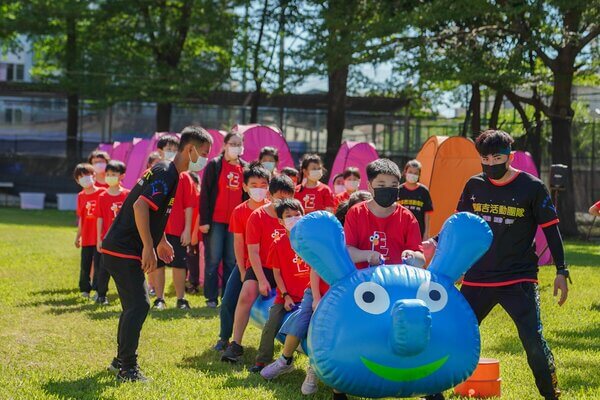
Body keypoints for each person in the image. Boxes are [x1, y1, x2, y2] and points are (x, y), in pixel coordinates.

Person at [423, 130, 569, 400]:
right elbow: (459, 225)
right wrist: (435, 241)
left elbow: (551, 230)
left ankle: (550, 394)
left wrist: (561, 270)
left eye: (497, 157)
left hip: (518, 279)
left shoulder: (532, 187)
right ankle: (433, 392)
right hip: (477, 277)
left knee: (533, 343)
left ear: (510, 156)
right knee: (452, 333)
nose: (491, 163)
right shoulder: (474, 185)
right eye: (485, 158)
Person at [100, 126, 212, 382]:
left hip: (120, 247)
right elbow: (140, 206)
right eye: (204, 153)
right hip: (123, 248)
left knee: (133, 306)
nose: (205, 159)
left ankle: (120, 361)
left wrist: (160, 240)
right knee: (139, 305)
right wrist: (149, 248)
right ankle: (127, 368)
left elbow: (152, 209)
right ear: (190, 149)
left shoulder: (170, 172)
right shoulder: (166, 172)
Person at [221, 175, 295, 363]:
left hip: (286, 268)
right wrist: (261, 279)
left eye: (288, 198)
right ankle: (235, 344)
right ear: (270, 196)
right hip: (261, 266)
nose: (284, 203)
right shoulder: (258, 216)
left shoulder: (294, 216)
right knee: (245, 295)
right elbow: (252, 252)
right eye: (280, 198)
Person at [214, 162, 271, 351]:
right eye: (254, 185)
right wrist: (241, 270)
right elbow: (238, 243)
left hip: (271, 265)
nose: (259, 189)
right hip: (247, 266)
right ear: (245, 187)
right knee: (229, 299)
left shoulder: (274, 210)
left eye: (263, 185)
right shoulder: (239, 211)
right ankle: (224, 338)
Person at [251, 198, 309, 373]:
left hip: (310, 295)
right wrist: (285, 295)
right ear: (280, 221)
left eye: (297, 215)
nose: (293, 218)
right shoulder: (278, 243)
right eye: (288, 216)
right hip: (286, 295)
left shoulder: (312, 241)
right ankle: (262, 360)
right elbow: (277, 273)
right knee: (272, 322)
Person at [344, 158, 425, 269]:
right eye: (381, 185)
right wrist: (367, 255)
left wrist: (413, 256)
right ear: (369, 187)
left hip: (396, 282)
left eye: (393, 186)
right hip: (362, 283)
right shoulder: (355, 213)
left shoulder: (407, 217)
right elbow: (348, 251)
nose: (387, 190)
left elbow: (421, 259)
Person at [200, 131, 248, 308]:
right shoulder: (214, 165)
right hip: (215, 220)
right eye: (233, 144)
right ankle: (211, 297)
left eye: (239, 144)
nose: (236, 147)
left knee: (231, 260)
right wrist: (204, 220)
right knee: (213, 259)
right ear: (225, 145)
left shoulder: (245, 167)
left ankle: (228, 297)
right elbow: (205, 193)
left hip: (235, 223)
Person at [151, 164, 197, 310]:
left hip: (178, 229)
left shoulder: (184, 177)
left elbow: (189, 205)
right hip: (158, 229)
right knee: (158, 264)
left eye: (173, 148)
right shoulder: (156, 174)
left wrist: (188, 229)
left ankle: (181, 299)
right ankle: (159, 299)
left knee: (179, 264)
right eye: (166, 148)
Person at [95, 160, 130, 305]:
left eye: (113, 174)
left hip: (123, 239)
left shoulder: (127, 195)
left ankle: (127, 295)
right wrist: (99, 238)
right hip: (107, 239)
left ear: (122, 176)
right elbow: (100, 218)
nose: (110, 177)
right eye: (108, 174)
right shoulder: (102, 196)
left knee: (124, 268)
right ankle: (101, 295)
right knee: (103, 268)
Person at [73, 163, 105, 299]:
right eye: (81, 177)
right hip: (86, 236)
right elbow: (81, 218)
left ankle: (98, 290)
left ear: (93, 175)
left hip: (99, 236)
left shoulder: (102, 193)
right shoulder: (80, 196)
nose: (84, 179)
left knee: (99, 264)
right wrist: (78, 236)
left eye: (87, 175)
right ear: (77, 180)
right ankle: (85, 289)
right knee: (85, 264)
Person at [397, 159, 433, 239]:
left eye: (415, 173)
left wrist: (426, 233)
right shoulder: (399, 190)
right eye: (410, 172)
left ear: (419, 175)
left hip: (418, 231)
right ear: (405, 172)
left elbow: (427, 214)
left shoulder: (423, 191)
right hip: (400, 230)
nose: (412, 175)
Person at [185, 171, 202, 295]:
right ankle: (189, 282)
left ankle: (194, 283)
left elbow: (199, 217)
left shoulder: (199, 197)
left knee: (194, 260)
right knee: (189, 259)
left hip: (196, 236)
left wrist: (194, 234)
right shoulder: (187, 198)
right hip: (188, 234)